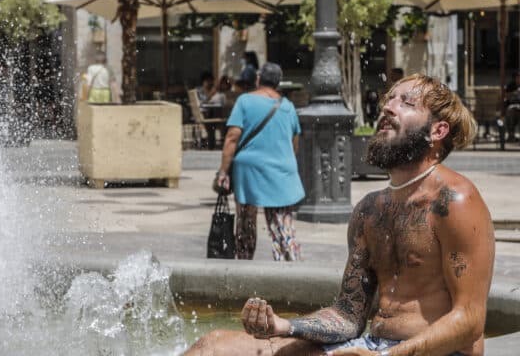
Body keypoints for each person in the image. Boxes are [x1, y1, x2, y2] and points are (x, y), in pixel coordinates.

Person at [187, 74, 494, 356]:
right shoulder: (370, 210)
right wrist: (285, 327)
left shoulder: (455, 201)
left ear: (438, 130)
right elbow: (348, 315)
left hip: (435, 353)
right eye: (389, 99)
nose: (388, 107)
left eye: (406, 102)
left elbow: (469, 321)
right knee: (214, 346)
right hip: (374, 346)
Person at [215, 62, 304, 261]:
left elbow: (232, 137)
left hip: (250, 172)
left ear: (258, 79)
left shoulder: (245, 101)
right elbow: (294, 142)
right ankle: (290, 265)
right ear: (278, 83)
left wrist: (223, 172)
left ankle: (244, 263)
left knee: (246, 220)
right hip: (281, 171)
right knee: (282, 222)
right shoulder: (288, 107)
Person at [505, 71, 520, 142]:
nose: (518, 79)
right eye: (517, 77)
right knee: (510, 114)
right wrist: (514, 93)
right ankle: (511, 135)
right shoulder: (511, 85)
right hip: (512, 105)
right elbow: (506, 96)